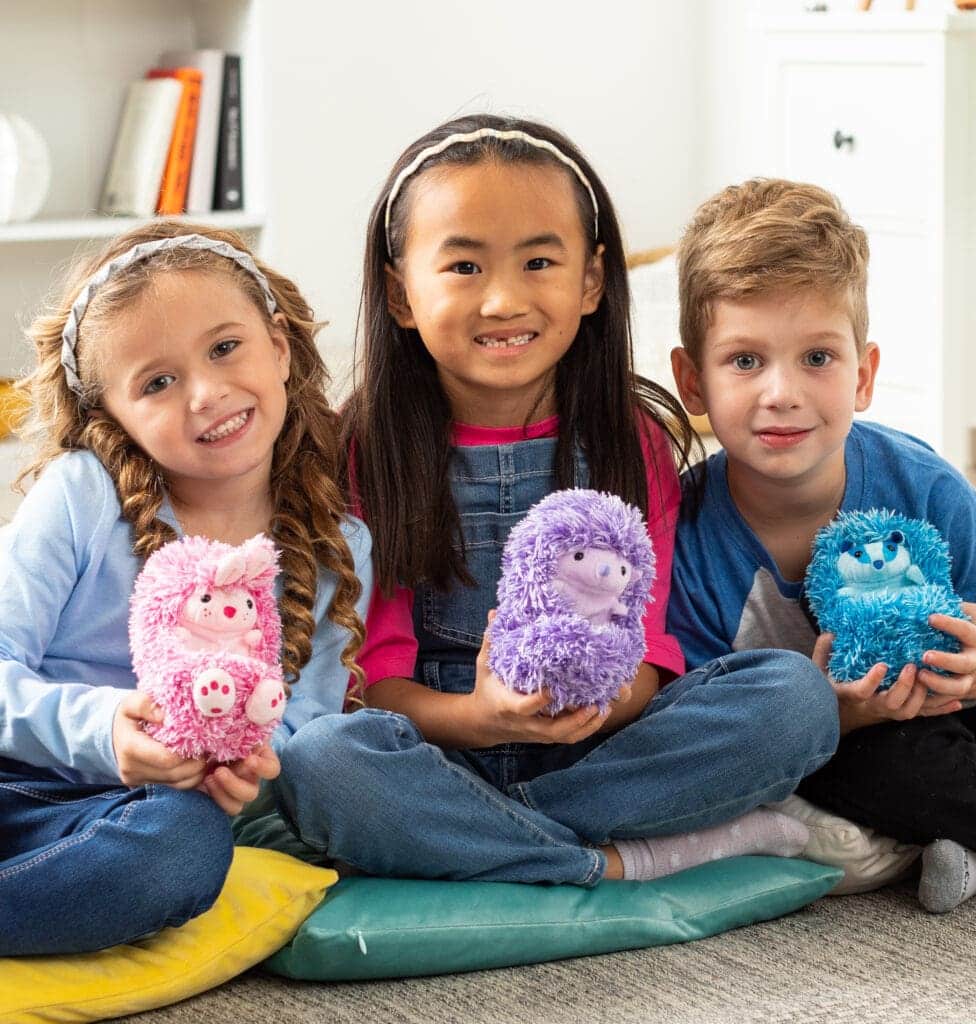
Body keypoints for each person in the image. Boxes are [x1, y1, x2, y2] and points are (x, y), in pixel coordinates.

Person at [272, 115, 839, 887]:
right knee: (320, 763)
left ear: (591, 282)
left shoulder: (628, 436)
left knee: (792, 696)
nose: (504, 299)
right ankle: (604, 861)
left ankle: (487, 845)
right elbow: (369, 677)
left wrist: (592, 705)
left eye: (540, 261)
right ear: (400, 292)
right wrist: (482, 716)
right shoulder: (362, 447)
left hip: (600, 749)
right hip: (437, 747)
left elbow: (650, 648)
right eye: (464, 267)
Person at [0, 221, 371, 955]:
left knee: (186, 848)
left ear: (280, 346)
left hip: (131, 821)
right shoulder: (82, 496)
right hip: (18, 779)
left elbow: (302, 724)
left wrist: (241, 768)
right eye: (158, 383)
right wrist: (105, 731)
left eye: (225, 347)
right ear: (114, 415)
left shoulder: (336, 544)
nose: (206, 393)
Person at [667, 178, 976, 913]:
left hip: (973, 715)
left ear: (863, 375)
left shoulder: (924, 488)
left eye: (817, 359)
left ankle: (969, 838)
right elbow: (707, 739)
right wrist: (843, 712)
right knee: (882, 768)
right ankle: (968, 829)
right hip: (844, 750)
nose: (782, 393)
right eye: (744, 361)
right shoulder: (688, 537)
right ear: (691, 381)